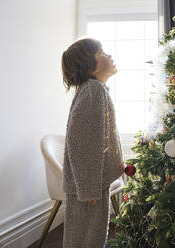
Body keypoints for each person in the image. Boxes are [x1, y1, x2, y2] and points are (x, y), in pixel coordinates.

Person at [61, 38, 123, 248]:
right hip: (87, 186)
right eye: (102, 53)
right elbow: (81, 142)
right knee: (86, 238)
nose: (109, 56)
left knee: (91, 235)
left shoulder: (96, 90)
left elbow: (100, 137)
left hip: (92, 182)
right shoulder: (93, 91)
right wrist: (88, 189)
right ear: (89, 66)